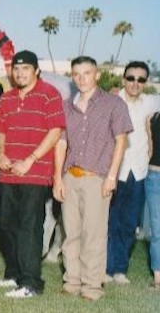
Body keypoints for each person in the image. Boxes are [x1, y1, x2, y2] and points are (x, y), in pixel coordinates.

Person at [0, 51, 66, 298]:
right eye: (17, 69)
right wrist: (1, 154)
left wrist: (30, 160)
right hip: (8, 172)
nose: (20, 74)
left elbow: (55, 132)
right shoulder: (7, 98)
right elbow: (1, 132)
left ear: (36, 71)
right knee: (7, 224)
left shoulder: (49, 93)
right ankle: (13, 275)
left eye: (26, 69)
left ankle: (31, 283)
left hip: (34, 173)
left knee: (29, 227)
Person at [53, 56, 132, 301]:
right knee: (71, 232)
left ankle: (92, 287)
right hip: (70, 176)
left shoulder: (113, 104)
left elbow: (121, 141)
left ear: (97, 74)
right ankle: (72, 281)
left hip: (97, 178)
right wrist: (58, 177)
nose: (81, 78)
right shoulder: (67, 105)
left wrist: (111, 177)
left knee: (94, 234)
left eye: (87, 73)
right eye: (76, 74)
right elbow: (61, 142)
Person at [108, 61, 160, 284]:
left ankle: (120, 269)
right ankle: (106, 269)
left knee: (129, 224)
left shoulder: (151, 102)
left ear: (146, 83)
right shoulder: (110, 101)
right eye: (131, 78)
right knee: (109, 223)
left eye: (140, 79)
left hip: (139, 174)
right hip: (113, 172)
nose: (135, 83)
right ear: (123, 79)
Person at [145, 106, 160, 289]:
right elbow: (150, 150)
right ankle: (158, 277)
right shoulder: (152, 118)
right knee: (157, 230)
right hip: (155, 177)